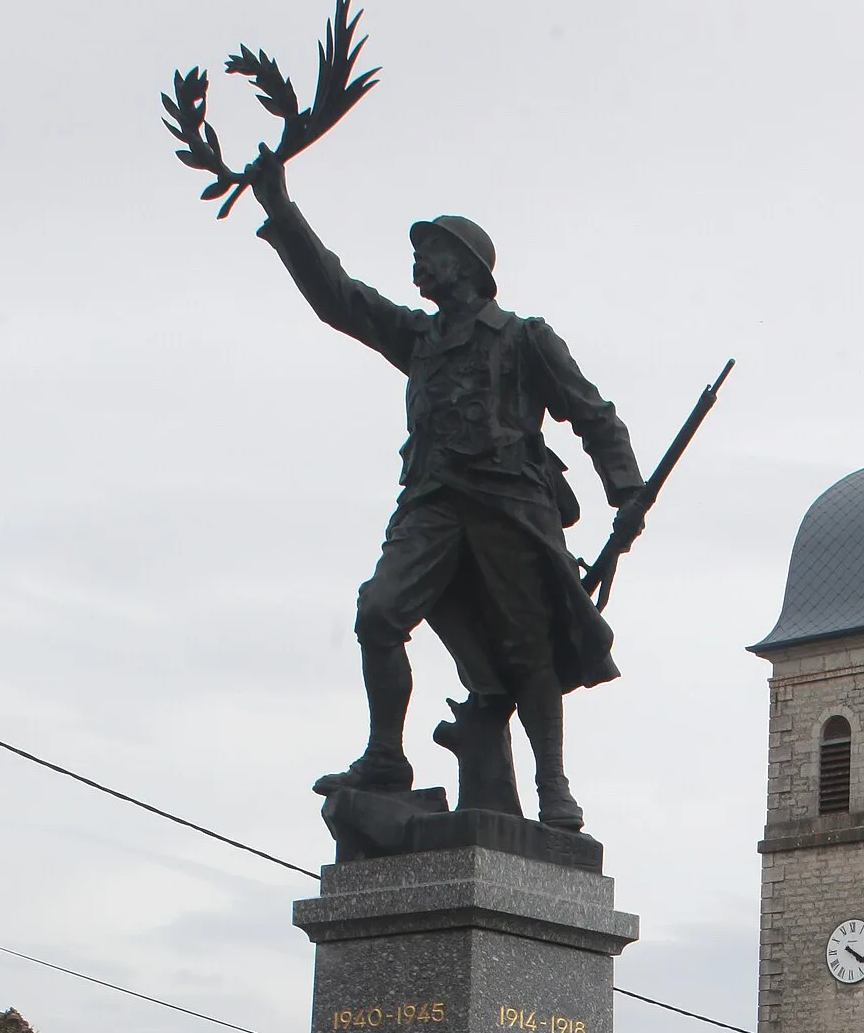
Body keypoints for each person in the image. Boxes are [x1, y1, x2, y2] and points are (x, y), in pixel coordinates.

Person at [246, 152, 643, 830]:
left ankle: (552, 784)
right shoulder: (418, 337)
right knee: (378, 613)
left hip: (508, 507)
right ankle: (385, 758)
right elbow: (339, 299)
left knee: (528, 652)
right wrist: (281, 210)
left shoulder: (523, 338)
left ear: (467, 264)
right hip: (432, 503)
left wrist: (624, 487)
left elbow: (591, 412)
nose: (417, 264)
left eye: (429, 251)